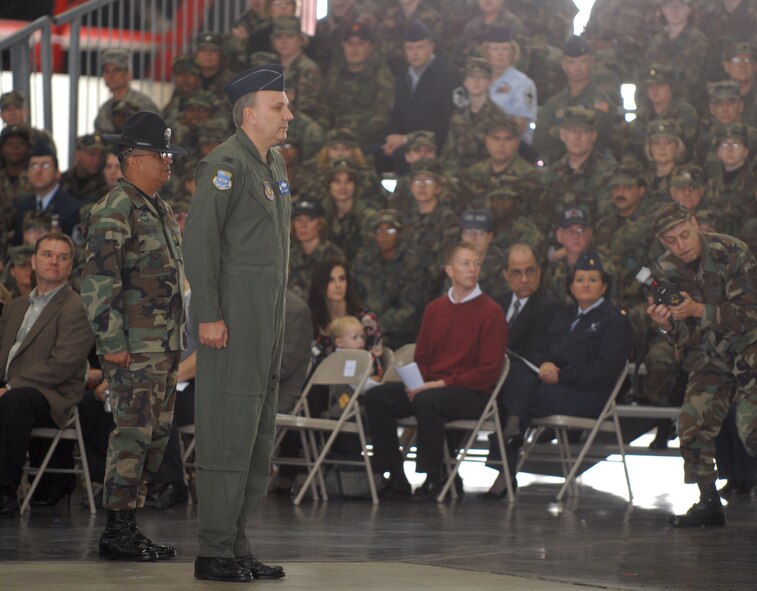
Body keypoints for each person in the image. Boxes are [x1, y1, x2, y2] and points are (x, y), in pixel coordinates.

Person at [182, 64, 290, 582]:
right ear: (250, 113)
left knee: (257, 438)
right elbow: (199, 243)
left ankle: (237, 544)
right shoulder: (223, 164)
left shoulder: (273, 164)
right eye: (279, 106)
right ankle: (213, 549)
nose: (288, 114)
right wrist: (209, 315)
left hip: (265, 324)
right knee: (228, 435)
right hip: (231, 325)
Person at [81, 111, 187, 561]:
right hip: (134, 349)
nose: (168, 163)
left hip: (162, 347)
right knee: (131, 436)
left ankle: (129, 525)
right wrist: (113, 346)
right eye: (161, 155)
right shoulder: (115, 209)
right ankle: (118, 530)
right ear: (133, 158)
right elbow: (98, 286)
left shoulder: (157, 207)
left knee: (154, 437)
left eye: (169, 155)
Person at [364, 242, 508, 500]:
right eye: (465, 263)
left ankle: (434, 476)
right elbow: (423, 358)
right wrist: (416, 383)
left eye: (476, 263)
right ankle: (394, 474)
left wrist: (435, 385)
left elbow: (488, 371)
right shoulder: (435, 309)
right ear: (449, 270)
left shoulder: (491, 312)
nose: (473, 269)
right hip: (430, 388)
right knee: (378, 397)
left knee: (428, 400)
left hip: (472, 392)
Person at [647, 202, 757, 527]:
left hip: (750, 346)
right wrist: (666, 324)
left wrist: (698, 310)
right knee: (692, 423)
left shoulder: (731, 251)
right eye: (671, 240)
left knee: (751, 427)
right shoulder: (666, 269)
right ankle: (708, 501)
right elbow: (686, 335)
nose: (681, 245)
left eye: (684, 234)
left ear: (694, 223)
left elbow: (750, 312)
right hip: (713, 355)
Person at [490, 251, 631, 490]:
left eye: (593, 279)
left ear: (604, 286)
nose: (585, 285)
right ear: (571, 286)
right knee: (517, 373)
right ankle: (508, 451)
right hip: (550, 386)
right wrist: (545, 363)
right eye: (580, 279)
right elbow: (541, 349)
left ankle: (505, 467)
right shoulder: (563, 316)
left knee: (511, 397)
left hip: (587, 396)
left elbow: (604, 373)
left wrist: (562, 375)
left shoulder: (614, 322)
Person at [0, 233, 94, 517]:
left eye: (62, 257)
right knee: (12, 399)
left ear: (69, 267)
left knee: (15, 402)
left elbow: (61, 365)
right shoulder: (16, 306)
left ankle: (4, 492)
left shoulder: (76, 307)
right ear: (33, 261)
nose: (54, 261)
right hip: (11, 388)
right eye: (47, 254)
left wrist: (11, 386)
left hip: (52, 393)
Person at [483, 242, 562, 498]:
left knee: (517, 381)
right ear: (506, 274)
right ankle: (443, 471)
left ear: (540, 271)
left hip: (526, 376)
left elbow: (540, 350)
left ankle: (506, 462)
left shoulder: (549, 305)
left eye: (531, 271)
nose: (525, 279)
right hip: (493, 376)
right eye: (517, 272)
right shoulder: (496, 302)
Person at [383, 20, 462, 173]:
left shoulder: (449, 77)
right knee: (376, 155)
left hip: (437, 145)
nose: (415, 53)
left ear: (431, 47)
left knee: (401, 157)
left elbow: (450, 120)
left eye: (420, 47)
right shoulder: (402, 77)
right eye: (410, 48)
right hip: (405, 142)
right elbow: (396, 114)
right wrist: (393, 138)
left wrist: (407, 139)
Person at [351, 209, 427, 349]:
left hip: (398, 336)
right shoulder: (363, 261)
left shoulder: (412, 264)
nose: (384, 236)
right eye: (379, 231)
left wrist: (377, 324)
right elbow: (353, 297)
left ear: (400, 233)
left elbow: (411, 309)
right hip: (361, 331)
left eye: (390, 230)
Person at [308, 258, 383, 374]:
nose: (338, 285)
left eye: (342, 279)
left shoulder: (366, 319)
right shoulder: (311, 319)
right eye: (331, 280)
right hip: (319, 383)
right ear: (320, 284)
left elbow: (375, 364)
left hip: (359, 383)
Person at [13, 141, 81, 244]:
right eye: (34, 166)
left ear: (57, 173)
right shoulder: (21, 206)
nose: (39, 171)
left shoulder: (72, 208)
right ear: (28, 173)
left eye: (45, 166)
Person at [94, 49, 159, 134]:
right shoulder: (105, 109)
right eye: (107, 71)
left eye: (116, 70)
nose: (111, 76)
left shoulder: (143, 105)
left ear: (128, 74)